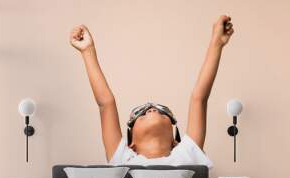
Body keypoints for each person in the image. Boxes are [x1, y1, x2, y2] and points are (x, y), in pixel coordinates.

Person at [69, 15, 234, 167]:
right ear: (131, 143)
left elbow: (199, 98)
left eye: (163, 112)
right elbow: (106, 103)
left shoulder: (185, 155)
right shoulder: (123, 158)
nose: (152, 108)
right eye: (142, 113)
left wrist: (217, 43)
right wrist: (87, 50)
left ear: (175, 142)